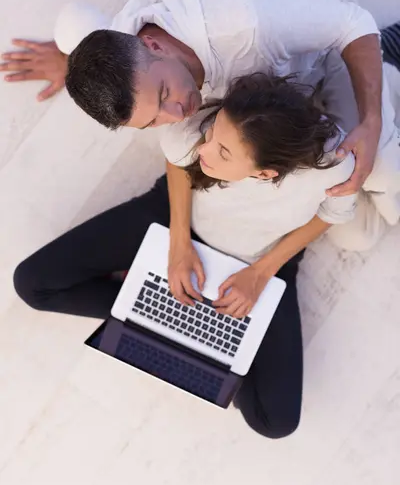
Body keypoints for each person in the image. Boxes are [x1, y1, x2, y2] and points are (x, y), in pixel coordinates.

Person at [14, 73, 357, 439]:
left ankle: (190, 324)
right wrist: (179, 243)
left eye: (223, 152)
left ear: (265, 173)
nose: (204, 150)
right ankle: (163, 312)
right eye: (211, 135)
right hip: (178, 217)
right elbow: (179, 162)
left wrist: (260, 273)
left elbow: (331, 214)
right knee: (33, 285)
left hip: (262, 260)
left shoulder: (334, 165)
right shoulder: (208, 122)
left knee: (276, 422)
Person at [1, 0, 399, 248]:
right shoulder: (125, 57)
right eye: (153, 119)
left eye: (164, 93)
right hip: (271, 113)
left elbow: (352, 24)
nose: (177, 113)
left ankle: (390, 56)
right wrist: (71, 61)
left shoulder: (247, 21)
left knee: (382, 169)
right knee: (353, 232)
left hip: (322, 67)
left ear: (153, 45)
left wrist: (371, 121)